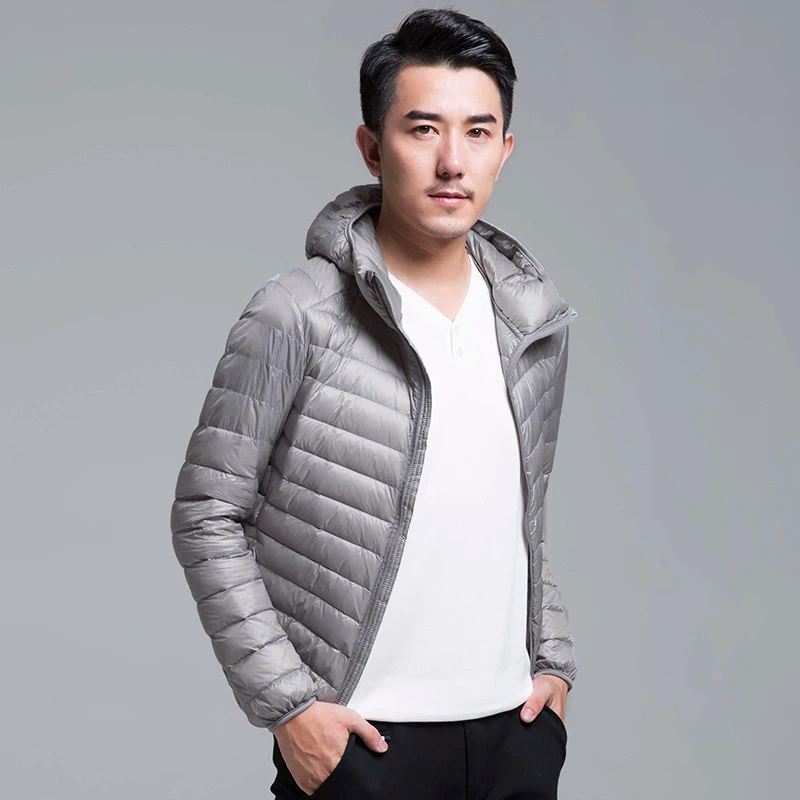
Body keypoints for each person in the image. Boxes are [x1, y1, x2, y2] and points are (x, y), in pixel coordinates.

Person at [170, 7, 578, 799]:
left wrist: (553, 663)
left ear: (504, 150)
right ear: (372, 146)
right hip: (364, 746)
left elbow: (524, 515)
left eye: (478, 132)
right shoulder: (297, 313)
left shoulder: (533, 324)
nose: (452, 161)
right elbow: (206, 514)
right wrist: (290, 707)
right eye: (423, 129)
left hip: (514, 737)